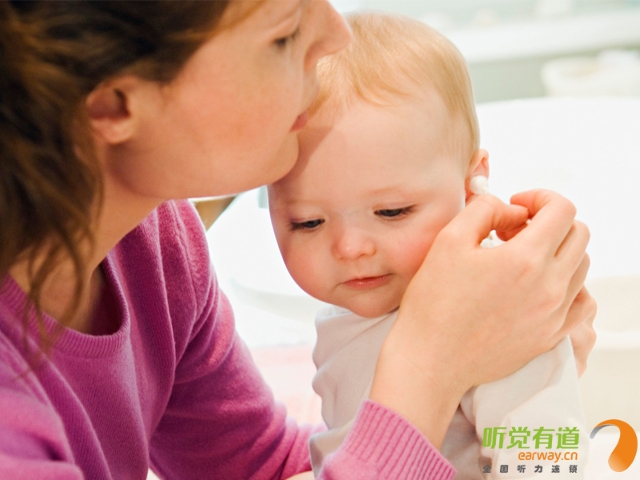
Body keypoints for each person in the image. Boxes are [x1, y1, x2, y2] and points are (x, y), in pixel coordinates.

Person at [0, 1, 595, 479]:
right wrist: (433, 363)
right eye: (285, 32)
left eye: (392, 210)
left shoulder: (154, 244)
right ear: (114, 103)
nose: (336, 32)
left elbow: (260, 466)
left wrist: (492, 366)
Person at [268, 12, 592, 479]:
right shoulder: (346, 312)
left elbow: (548, 456)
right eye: (308, 222)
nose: (350, 247)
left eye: (392, 212)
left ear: (471, 186)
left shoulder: (499, 309)